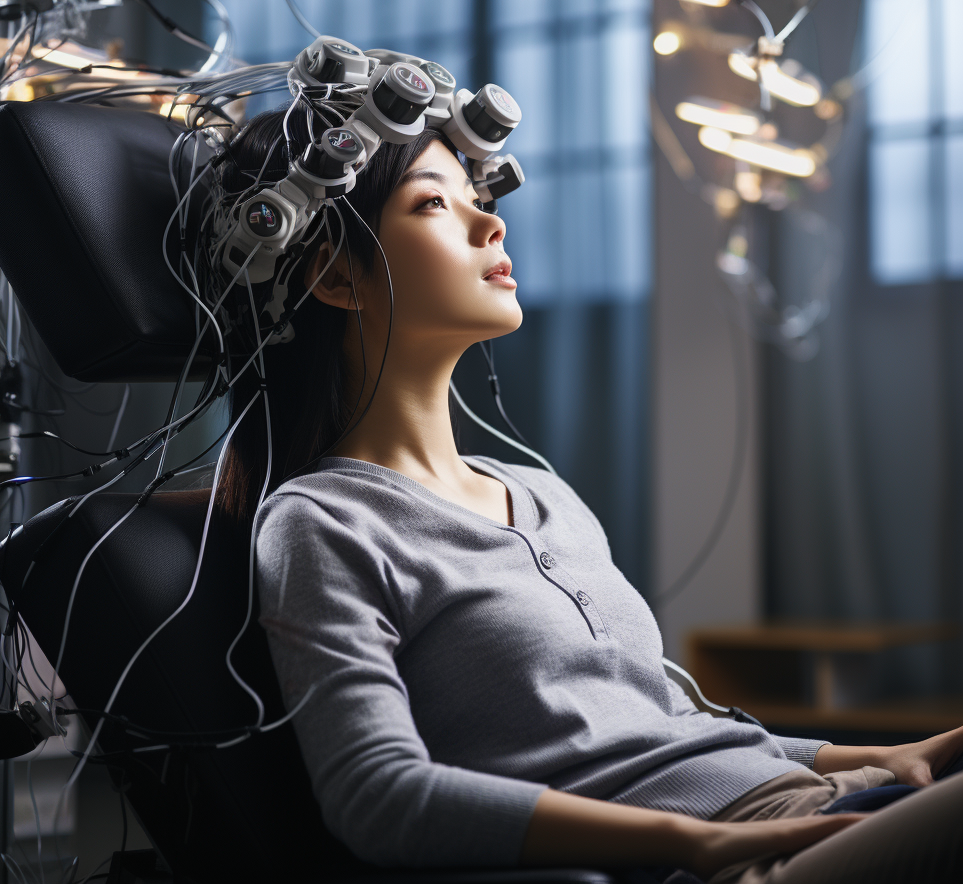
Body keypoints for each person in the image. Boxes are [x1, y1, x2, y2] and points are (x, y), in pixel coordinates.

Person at [215, 105, 963, 884]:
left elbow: (664, 724)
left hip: (817, 805)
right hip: (734, 859)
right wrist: (686, 845)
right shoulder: (324, 525)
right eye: (434, 201)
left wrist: (873, 755)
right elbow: (379, 797)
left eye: (479, 195)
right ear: (336, 274)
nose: (490, 222)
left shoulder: (542, 493)